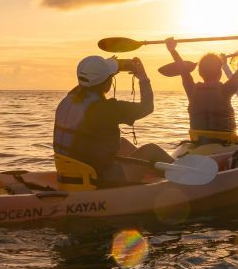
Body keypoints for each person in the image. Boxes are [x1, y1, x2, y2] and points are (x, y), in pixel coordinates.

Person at [53, 55, 173, 188]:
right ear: (107, 83)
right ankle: (188, 182)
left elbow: (91, 80)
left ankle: (153, 173)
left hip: (73, 173)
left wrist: (115, 67)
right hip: (100, 179)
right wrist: (143, 78)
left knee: (122, 144)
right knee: (151, 150)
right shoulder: (107, 109)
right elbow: (147, 107)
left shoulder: (70, 98)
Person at [165, 32, 238, 145]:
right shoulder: (226, 90)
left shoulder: (192, 90)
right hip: (225, 145)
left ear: (200, 73)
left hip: (199, 143)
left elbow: (183, 70)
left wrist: (172, 49)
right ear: (220, 73)